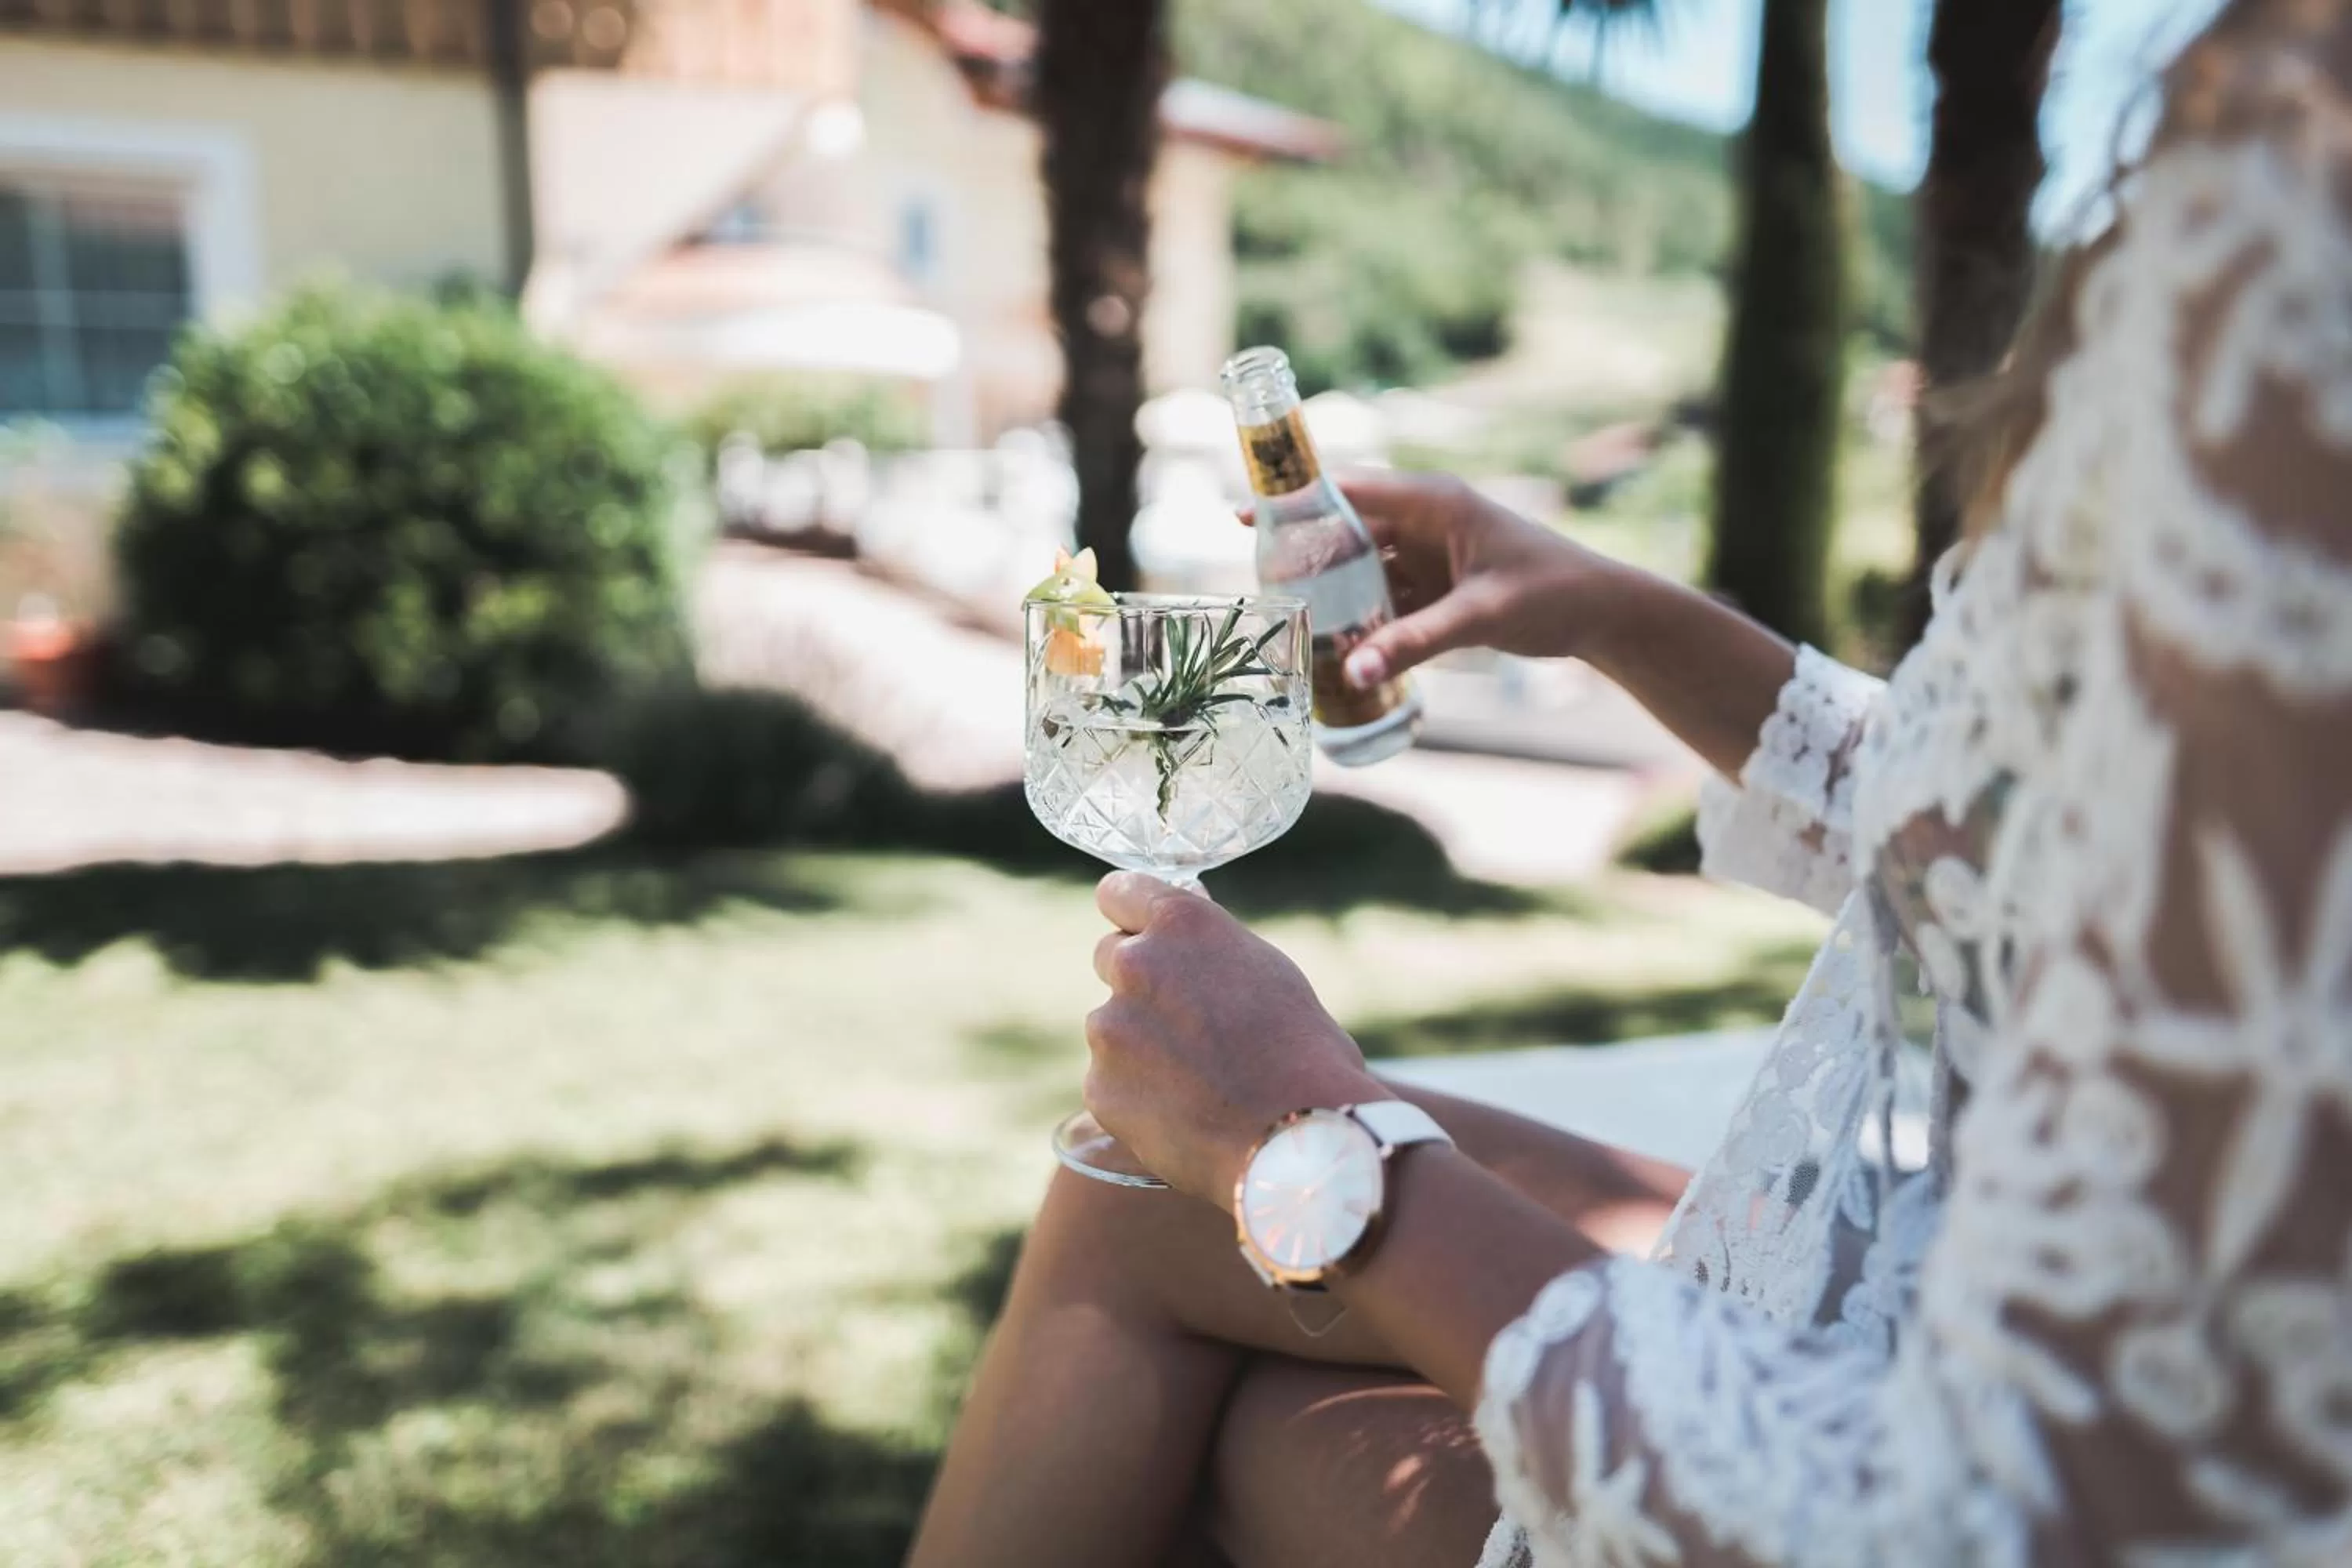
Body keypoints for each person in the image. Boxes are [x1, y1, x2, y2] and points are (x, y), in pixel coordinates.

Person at [910, 2, 2352, 1562]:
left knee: (1212, 1401)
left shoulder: (2297, 291)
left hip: (1926, 1451)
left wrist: (1315, 1143)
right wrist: (1609, 607)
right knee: (1139, 1200)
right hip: (1913, 1255)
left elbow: (2020, 1511)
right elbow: (2031, 829)